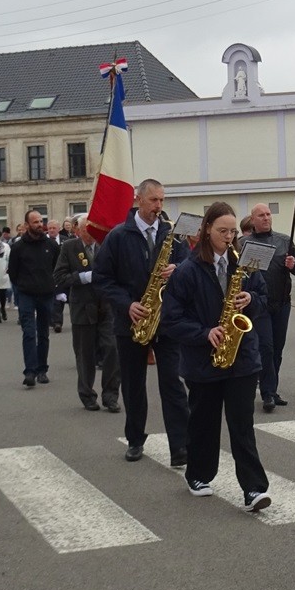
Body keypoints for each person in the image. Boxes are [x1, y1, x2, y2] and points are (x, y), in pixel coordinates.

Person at [160, 202, 274, 508]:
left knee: (242, 424)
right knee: (204, 422)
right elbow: (171, 319)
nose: (228, 236)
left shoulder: (245, 263)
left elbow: (264, 300)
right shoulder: (187, 271)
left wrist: (251, 298)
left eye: (232, 231)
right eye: (222, 230)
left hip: (243, 358)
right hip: (203, 361)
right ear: (207, 230)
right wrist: (204, 333)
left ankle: (254, 489)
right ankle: (198, 473)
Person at [95, 179, 192, 465]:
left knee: (173, 382)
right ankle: (135, 439)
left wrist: (179, 268)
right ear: (139, 200)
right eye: (154, 201)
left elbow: (191, 267)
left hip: (167, 321)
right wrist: (128, 304)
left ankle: (181, 446)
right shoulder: (118, 236)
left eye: (162, 200)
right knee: (134, 384)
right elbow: (102, 279)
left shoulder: (171, 233)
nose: (159, 207)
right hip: (132, 321)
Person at [54, 212, 121, 412]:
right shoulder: (69, 247)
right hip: (83, 307)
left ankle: (110, 395)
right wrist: (84, 277)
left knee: (111, 350)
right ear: (77, 230)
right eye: (86, 230)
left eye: (93, 230)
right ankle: (87, 395)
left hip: (106, 307)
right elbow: (59, 276)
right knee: (85, 355)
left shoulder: (106, 245)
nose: (91, 234)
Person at [243, 202, 295, 412]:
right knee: (266, 348)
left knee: (277, 349)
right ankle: (267, 393)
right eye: (261, 215)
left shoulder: (284, 240)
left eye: (268, 214)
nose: (266, 218)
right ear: (253, 220)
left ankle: (272, 388)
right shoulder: (243, 243)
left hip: (282, 303)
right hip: (259, 305)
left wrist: (293, 265)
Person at [7, 210, 61, 389]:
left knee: (43, 333)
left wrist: (52, 286)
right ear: (27, 225)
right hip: (26, 295)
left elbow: (57, 268)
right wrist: (23, 286)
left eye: (41, 221)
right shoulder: (18, 247)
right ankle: (29, 371)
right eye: (35, 222)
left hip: (46, 294)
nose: (40, 224)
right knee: (29, 332)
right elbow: (13, 273)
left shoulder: (51, 245)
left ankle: (42, 369)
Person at [51, 218, 80, 334]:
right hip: (58, 274)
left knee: (72, 299)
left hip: (70, 273)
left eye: (54, 228)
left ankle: (77, 320)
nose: (52, 230)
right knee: (58, 300)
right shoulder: (47, 241)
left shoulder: (65, 240)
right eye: (49, 228)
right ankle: (57, 322)